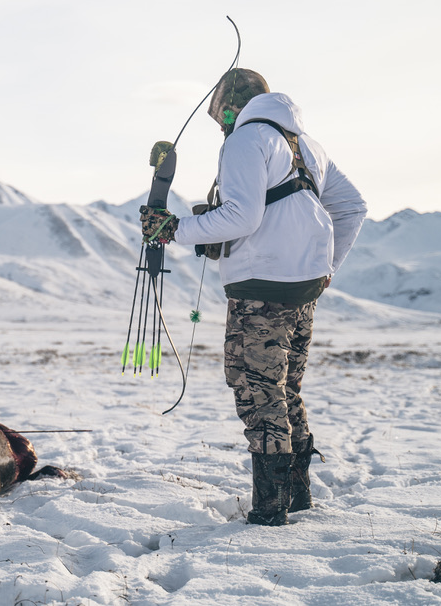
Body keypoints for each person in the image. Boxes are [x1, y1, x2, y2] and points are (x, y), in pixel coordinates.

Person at [140, 69, 367, 526]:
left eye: (220, 115)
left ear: (230, 107)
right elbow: (352, 206)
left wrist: (174, 229)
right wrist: (327, 268)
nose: (220, 124)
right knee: (284, 387)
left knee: (256, 387)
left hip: (262, 286)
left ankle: (270, 508)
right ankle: (297, 494)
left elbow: (242, 217)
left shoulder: (246, 139)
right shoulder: (307, 146)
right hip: (303, 285)